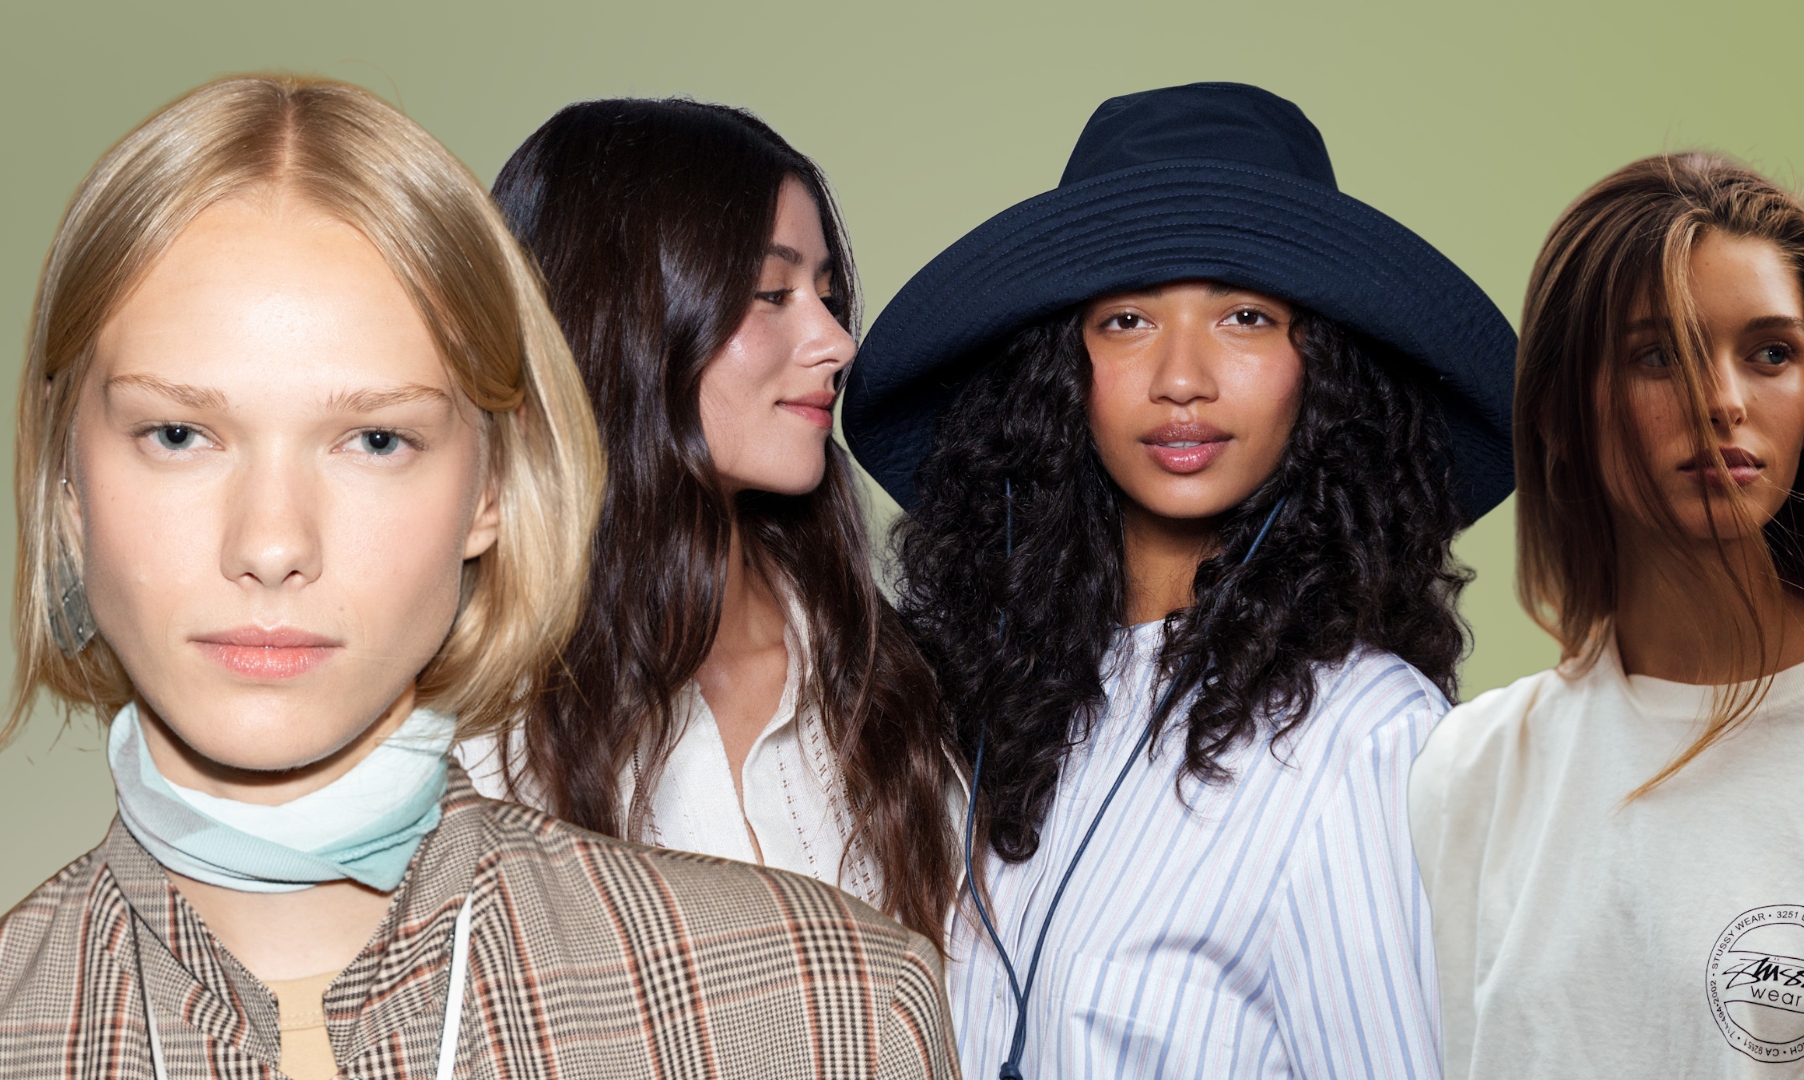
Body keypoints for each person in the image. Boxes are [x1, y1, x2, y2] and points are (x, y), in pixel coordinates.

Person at [0, 75, 957, 1080]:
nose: (272, 544)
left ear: (494, 485)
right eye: (178, 433)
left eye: (376, 438)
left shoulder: (837, 1003)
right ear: (65, 480)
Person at [843, 82, 1516, 1079]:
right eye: (1126, 320)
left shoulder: (1366, 738)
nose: (1182, 378)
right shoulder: (973, 710)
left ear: (1325, 373)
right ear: (1058, 371)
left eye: (1245, 317)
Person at [1409, 153, 1804, 1078]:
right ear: (1559, 411)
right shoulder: (1473, 768)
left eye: (1772, 353)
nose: (1723, 401)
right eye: (1657, 355)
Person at [454, 99, 959, 945]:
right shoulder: (464, 713)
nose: (838, 342)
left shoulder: (883, 675)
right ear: (623, 317)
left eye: (828, 296)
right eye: (772, 293)